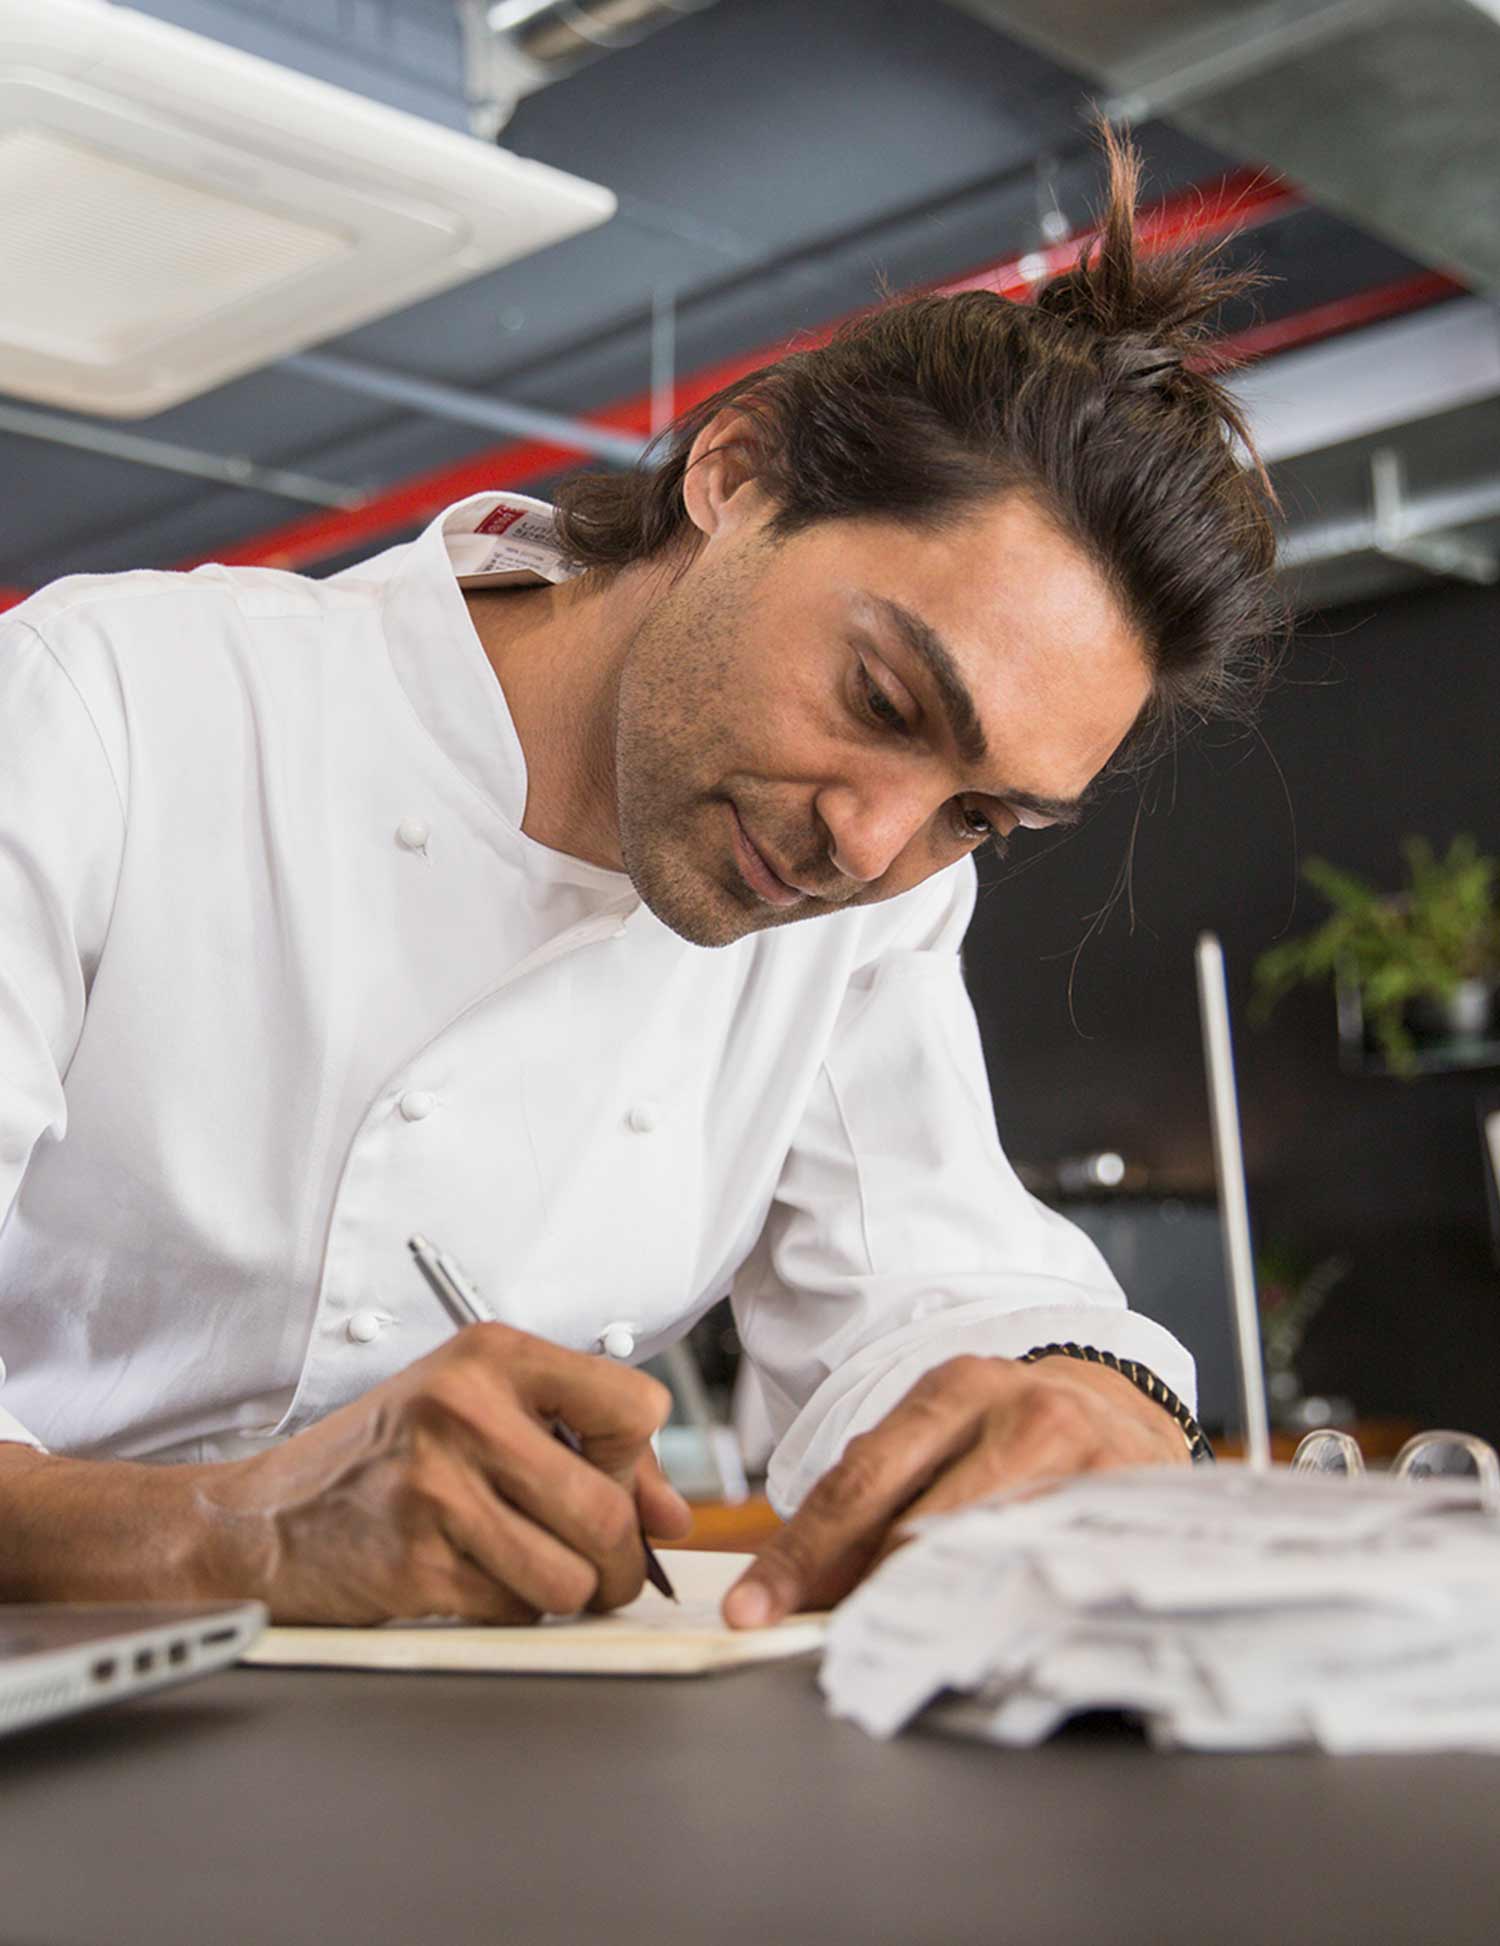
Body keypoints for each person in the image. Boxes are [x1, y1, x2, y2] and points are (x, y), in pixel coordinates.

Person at [0, 125, 1278, 1628]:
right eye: (880, 700)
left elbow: (934, 1286)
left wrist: (1092, 1402)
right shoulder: (103, 708)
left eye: (980, 815)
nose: (870, 848)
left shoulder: (876, 902)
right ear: (736, 474)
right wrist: (245, 1536)